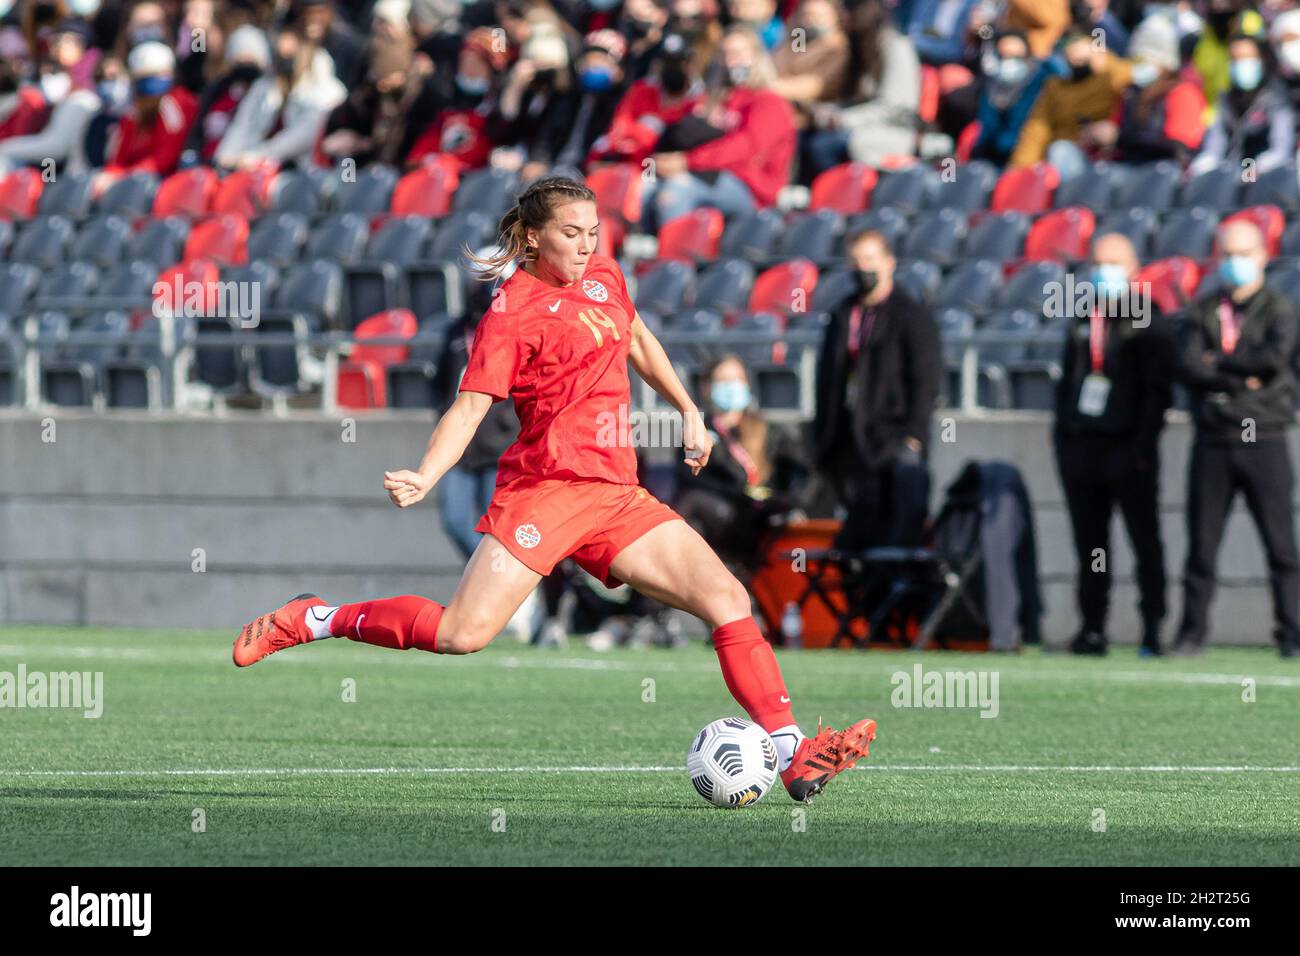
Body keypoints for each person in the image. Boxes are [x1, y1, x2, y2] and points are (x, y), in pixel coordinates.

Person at [232, 176, 876, 803]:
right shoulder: (510, 313)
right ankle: (315, 617)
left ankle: (791, 754)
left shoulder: (605, 278)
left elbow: (638, 338)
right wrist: (427, 473)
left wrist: (687, 408)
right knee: (463, 633)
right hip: (544, 492)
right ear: (535, 237)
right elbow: (469, 407)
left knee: (728, 599)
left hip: (616, 495)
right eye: (573, 233)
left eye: (595, 232)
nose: (587, 245)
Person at [1173, 219, 1300, 658]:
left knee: (1282, 547)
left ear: (1263, 256)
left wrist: (1221, 364)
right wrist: (1239, 375)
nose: (1235, 263)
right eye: (1227, 254)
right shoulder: (1203, 310)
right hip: (1214, 440)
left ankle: (1292, 634)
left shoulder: (1279, 309)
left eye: (1243, 253)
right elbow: (1189, 365)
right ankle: (1191, 635)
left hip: (1265, 438)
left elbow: (1273, 360)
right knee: (1201, 550)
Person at [1053, 233, 1175, 657]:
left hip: (1128, 451)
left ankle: (1152, 630)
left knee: (1145, 542)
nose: (1104, 272)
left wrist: (1142, 449)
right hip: (1084, 450)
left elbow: (1158, 392)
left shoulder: (1147, 320)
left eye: (1114, 263)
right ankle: (1092, 629)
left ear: (1134, 268)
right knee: (1091, 548)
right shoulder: (1084, 317)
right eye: (1098, 263)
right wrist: (1064, 444)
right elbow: (1067, 383)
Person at [811, 228, 941, 552]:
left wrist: (913, 435)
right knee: (855, 533)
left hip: (891, 437)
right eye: (856, 262)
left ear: (889, 263)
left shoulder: (911, 316)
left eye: (869, 260)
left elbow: (926, 380)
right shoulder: (843, 314)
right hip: (847, 442)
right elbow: (826, 378)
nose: (863, 269)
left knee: (895, 529)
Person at [640, 24, 795, 228]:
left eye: (738, 53)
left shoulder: (769, 103)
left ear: (757, 57)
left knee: (677, 190)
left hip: (751, 189)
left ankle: (673, 258)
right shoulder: (714, 100)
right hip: (707, 173)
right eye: (725, 54)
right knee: (644, 186)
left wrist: (687, 162)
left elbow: (745, 148)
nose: (731, 61)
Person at [673, 354, 812, 578]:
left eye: (737, 380)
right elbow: (692, 480)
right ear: (706, 387)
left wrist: (782, 502)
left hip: (766, 518)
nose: (732, 387)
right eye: (724, 382)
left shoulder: (770, 431)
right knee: (691, 503)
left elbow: (802, 475)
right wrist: (741, 495)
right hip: (728, 517)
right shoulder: (696, 433)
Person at [1008, 24, 1131, 176]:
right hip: (1066, 155)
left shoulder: (1113, 77)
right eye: (1068, 49)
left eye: (1077, 46)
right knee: (1060, 150)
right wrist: (1018, 172)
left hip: (1103, 157)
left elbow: (1127, 75)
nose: (1072, 54)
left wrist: (1100, 56)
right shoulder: (1056, 87)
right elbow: (1036, 131)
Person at [1189, 32, 1295, 177]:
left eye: (1248, 58)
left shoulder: (1277, 96)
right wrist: (1203, 166)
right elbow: (1216, 142)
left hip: (1267, 177)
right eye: (1236, 59)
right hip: (1234, 175)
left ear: (1261, 59)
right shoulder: (1225, 98)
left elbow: (1281, 149)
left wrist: (1249, 173)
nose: (1243, 64)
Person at [1113, 11, 1205, 165]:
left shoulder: (1183, 93)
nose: (1138, 65)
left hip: (1162, 176)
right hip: (1128, 170)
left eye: (1144, 60)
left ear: (1165, 63)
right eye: (1135, 59)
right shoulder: (1131, 93)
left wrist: (1120, 138)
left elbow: (1179, 149)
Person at [969, 27, 1058, 166]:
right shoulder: (992, 83)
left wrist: (1045, 59)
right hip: (991, 151)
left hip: (1025, 148)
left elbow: (1061, 73)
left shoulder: (1039, 77)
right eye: (1005, 56)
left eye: (1016, 57)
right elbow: (986, 124)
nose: (1010, 63)